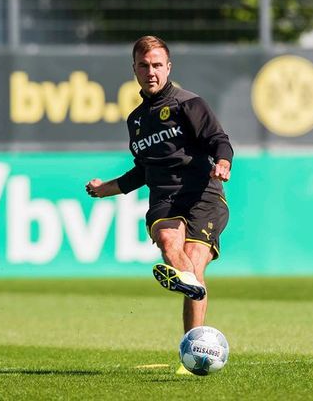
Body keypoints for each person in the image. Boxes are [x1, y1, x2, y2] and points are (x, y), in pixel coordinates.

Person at [85, 36, 233, 373]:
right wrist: (105, 189)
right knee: (170, 243)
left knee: (194, 262)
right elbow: (143, 170)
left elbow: (219, 141)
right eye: (143, 65)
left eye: (156, 65)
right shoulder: (136, 120)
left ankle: (192, 352)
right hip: (164, 197)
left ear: (168, 67)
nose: (150, 71)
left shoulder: (189, 103)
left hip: (203, 193)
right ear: (134, 69)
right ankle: (190, 288)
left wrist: (223, 164)